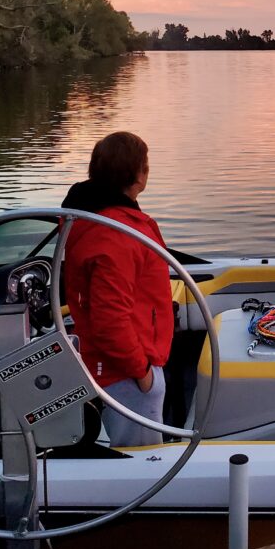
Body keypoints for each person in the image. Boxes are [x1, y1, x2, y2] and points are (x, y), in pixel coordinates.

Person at [61, 131, 172, 447]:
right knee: (145, 459)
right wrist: (143, 374)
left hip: (124, 362)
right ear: (138, 174)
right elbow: (110, 320)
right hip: (127, 371)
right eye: (146, 164)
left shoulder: (97, 219)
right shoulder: (116, 236)